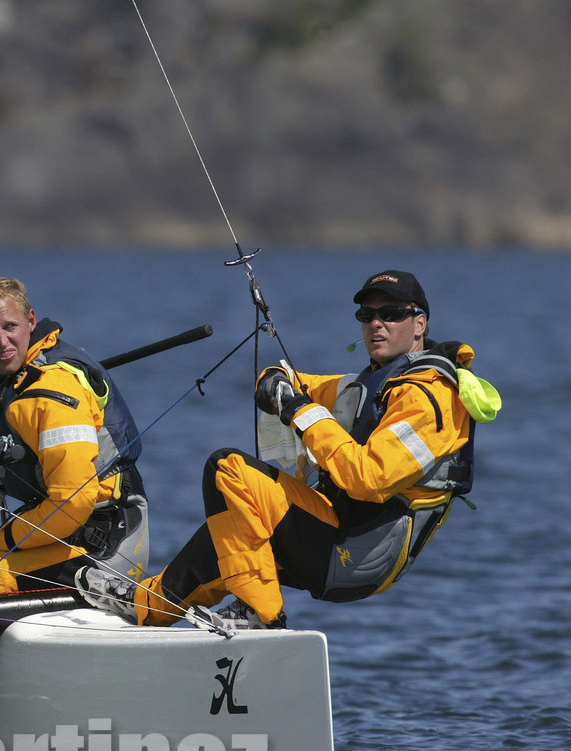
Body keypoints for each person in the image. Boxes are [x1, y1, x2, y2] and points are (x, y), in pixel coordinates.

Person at [86, 269, 497, 628]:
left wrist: (299, 410)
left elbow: (368, 478)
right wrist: (274, 379)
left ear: (419, 323)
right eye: (366, 315)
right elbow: (301, 383)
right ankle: (144, 606)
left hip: (358, 555)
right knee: (231, 531)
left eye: (390, 314)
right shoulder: (380, 382)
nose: (376, 324)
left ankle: (261, 615)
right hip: (337, 529)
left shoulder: (430, 399)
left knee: (227, 468)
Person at [0, 277, 149, 598]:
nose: (2, 342)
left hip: (104, 544)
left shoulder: (51, 390)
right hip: (71, 532)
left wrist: (6, 538)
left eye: (10, 327)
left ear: (31, 321)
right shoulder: (19, 377)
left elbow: (73, 502)